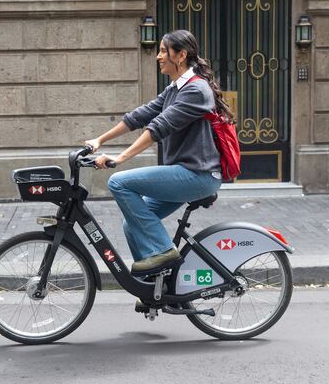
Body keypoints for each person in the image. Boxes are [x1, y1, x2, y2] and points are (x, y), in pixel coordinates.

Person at [85, 29, 234, 274]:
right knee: (132, 224)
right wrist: (99, 140)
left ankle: (164, 252)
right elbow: (140, 116)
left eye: (164, 51)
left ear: (181, 55)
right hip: (184, 172)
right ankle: (156, 282)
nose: (158, 56)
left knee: (119, 183)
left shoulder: (196, 90)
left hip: (198, 174)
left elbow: (159, 127)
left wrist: (120, 158)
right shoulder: (176, 88)